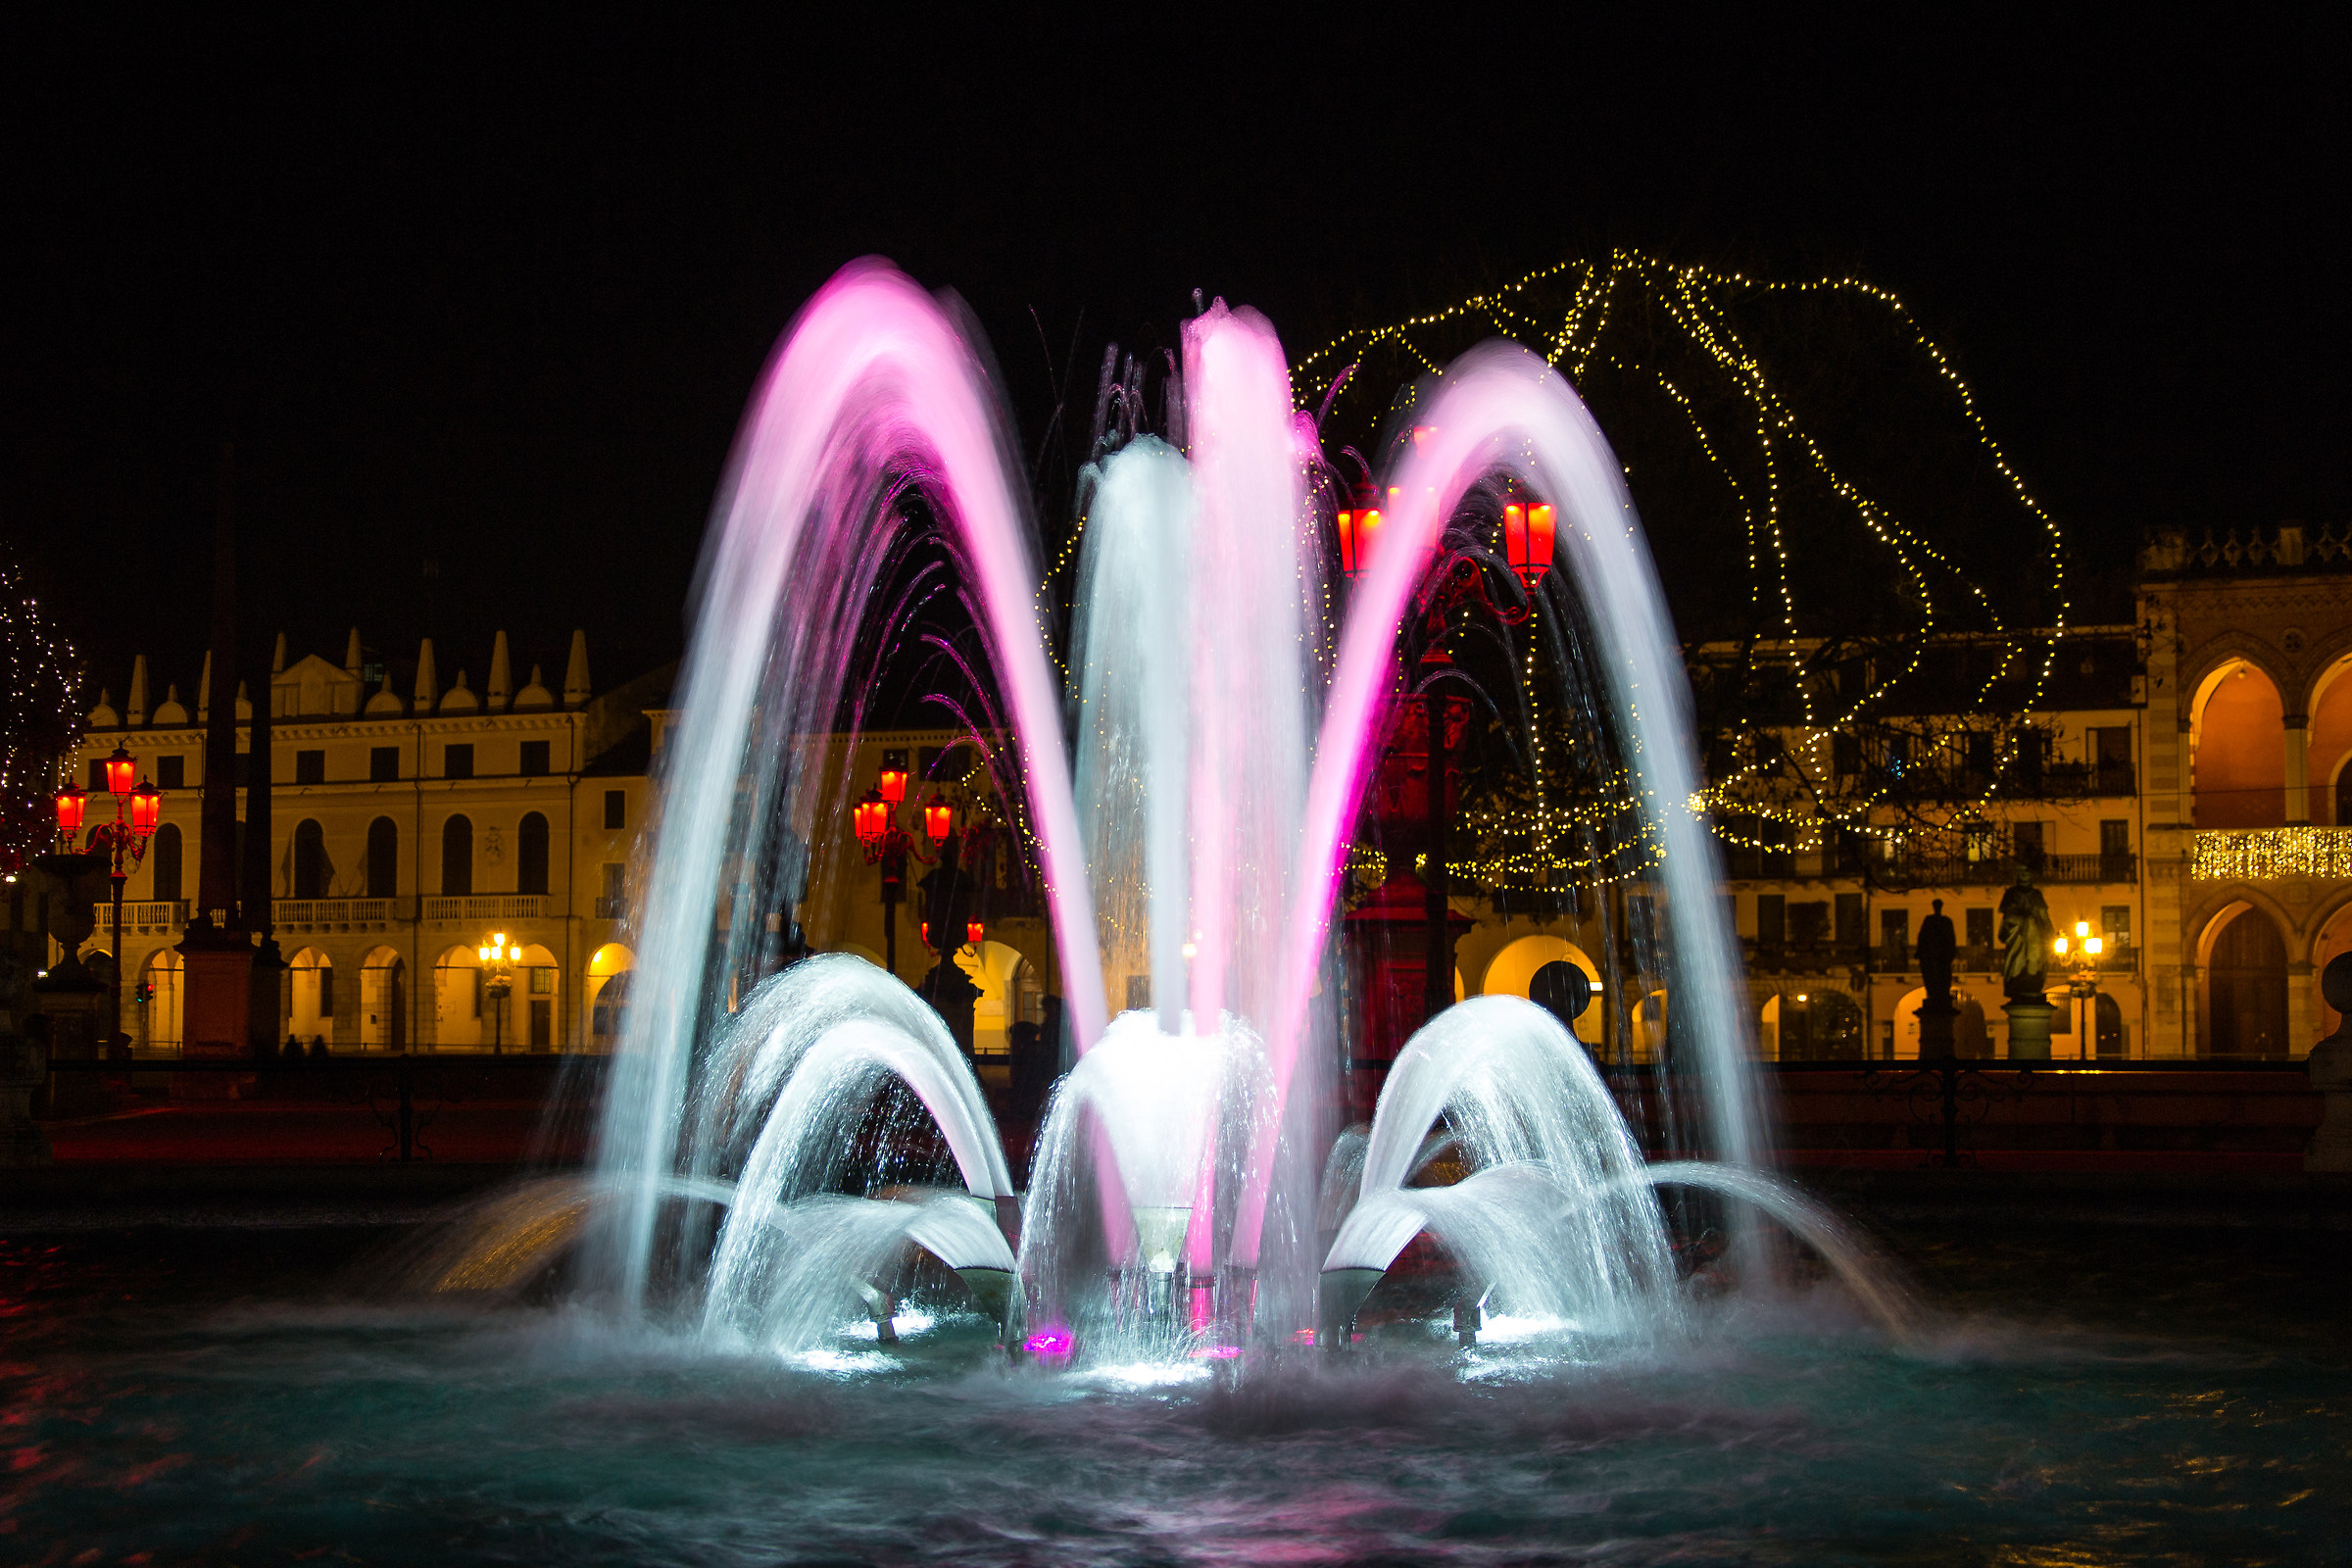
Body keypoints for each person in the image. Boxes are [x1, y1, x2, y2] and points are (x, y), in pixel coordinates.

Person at [1997, 867, 2054, 1002]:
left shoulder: (2036, 895)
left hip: (2034, 936)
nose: (2024, 874)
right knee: (2017, 958)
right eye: (2021, 871)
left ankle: (2032, 977)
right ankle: (2019, 979)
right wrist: (2022, 919)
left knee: (2034, 958)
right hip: (2017, 935)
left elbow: (2044, 917)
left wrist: (2050, 933)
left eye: (2027, 871)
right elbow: (2007, 918)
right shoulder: (2011, 894)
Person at [1916, 898, 1958, 1009]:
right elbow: (1923, 937)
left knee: (1939, 976)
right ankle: (1936, 994)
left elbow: (1922, 936)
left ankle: (1938, 994)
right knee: (1935, 976)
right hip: (1936, 955)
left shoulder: (1936, 921)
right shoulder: (1941, 921)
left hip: (1938, 955)